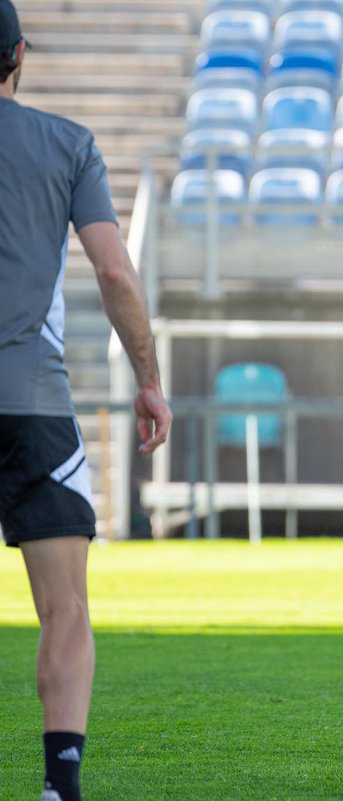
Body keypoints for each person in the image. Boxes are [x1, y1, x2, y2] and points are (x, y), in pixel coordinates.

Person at [0, 2, 173, 798]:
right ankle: (59, 786)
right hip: (33, 403)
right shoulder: (67, 144)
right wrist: (148, 378)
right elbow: (113, 271)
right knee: (65, 606)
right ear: (19, 55)